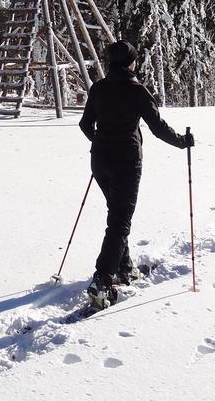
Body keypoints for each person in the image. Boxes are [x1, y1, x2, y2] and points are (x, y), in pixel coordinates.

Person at [78, 40, 193, 310]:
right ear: (131, 62)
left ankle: (123, 268)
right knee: (119, 222)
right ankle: (102, 280)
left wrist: (100, 141)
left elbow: (85, 124)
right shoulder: (136, 90)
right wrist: (182, 141)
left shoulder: (99, 88)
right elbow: (157, 126)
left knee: (116, 213)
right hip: (126, 162)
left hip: (100, 161)